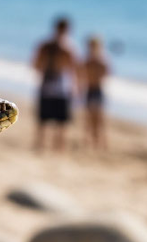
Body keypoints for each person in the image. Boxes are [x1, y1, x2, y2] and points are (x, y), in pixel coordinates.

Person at [32, 16, 78, 151]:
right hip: (60, 88)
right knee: (60, 122)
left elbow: (36, 65)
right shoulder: (68, 48)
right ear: (68, 30)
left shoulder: (46, 45)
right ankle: (57, 149)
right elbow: (74, 70)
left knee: (44, 121)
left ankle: (41, 146)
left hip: (47, 86)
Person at [81, 34, 110, 151]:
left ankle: (101, 143)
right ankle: (89, 142)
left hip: (97, 90)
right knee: (89, 118)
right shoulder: (87, 61)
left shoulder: (101, 61)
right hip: (90, 89)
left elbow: (105, 75)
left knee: (99, 119)